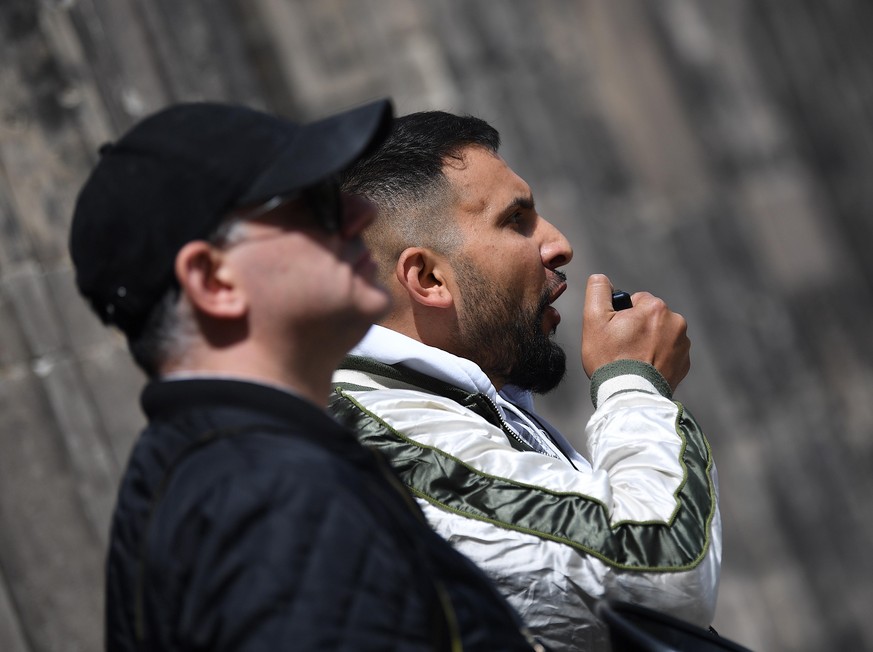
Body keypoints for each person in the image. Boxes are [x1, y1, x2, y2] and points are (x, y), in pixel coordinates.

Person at [69, 100, 543, 651]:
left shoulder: (240, 463)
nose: (358, 216)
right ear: (214, 280)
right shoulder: (269, 496)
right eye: (314, 203)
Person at [329, 111, 722, 652]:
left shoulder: (457, 396)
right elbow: (661, 569)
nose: (559, 245)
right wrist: (633, 383)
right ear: (428, 278)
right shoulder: (376, 436)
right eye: (516, 221)